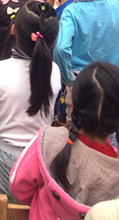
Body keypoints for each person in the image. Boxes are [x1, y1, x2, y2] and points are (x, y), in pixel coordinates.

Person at [0, 0, 60, 220]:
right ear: (53, 40)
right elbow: (53, 116)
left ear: (13, 30)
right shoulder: (55, 72)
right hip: (40, 159)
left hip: (6, 160)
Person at [10, 62, 119, 220]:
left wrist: (40, 204)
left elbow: (18, 185)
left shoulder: (49, 139)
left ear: (73, 103)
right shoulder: (115, 170)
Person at [53, 0, 119, 119]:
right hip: (113, 83)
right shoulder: (116, 7)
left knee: (78, 129)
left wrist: (69, 79)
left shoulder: (71, 12)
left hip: (81, 86)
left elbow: (60, 48)